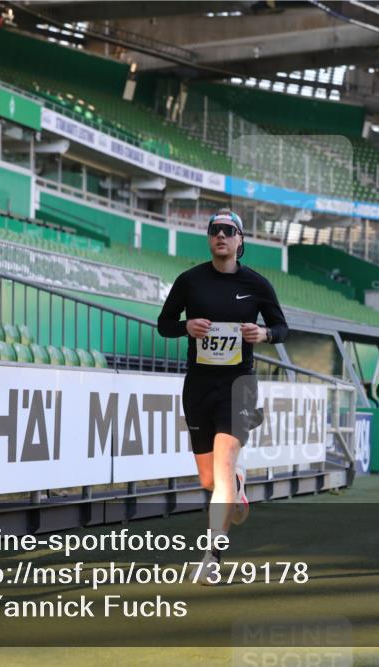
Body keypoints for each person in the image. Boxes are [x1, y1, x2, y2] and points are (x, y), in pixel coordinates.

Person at [157, 208, 288, 582]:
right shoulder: (189, 281)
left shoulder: (258, 284)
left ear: (240, 240)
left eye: (229, 230)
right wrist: (186, 326)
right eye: (215, 230)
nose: (221, 235)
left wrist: (264, 335)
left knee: (225, 464)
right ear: (209, 237)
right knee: (209, 480)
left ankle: (212, 557)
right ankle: (237, 488)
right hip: (198, 385)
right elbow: (164, 324)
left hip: (239, 385)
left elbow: (282, 327)